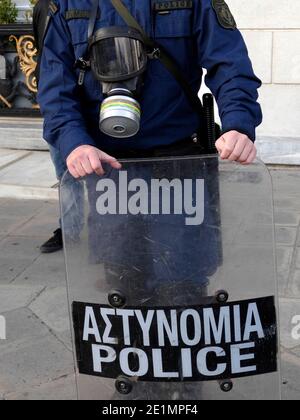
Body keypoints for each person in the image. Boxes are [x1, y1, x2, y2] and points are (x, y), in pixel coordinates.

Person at [38, 0, 262, 176]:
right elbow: (55, 89)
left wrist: (238, 125)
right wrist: (75, 144)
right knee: (107, 236)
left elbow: (230, 66)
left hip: (180, 162)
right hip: (102, 165)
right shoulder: (66, 3)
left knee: (192, 235)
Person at [33, 0, 64, 253]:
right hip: (61, 109)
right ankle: (68, 228)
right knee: (65, 176)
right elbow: (45, 53)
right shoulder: (43, 7)